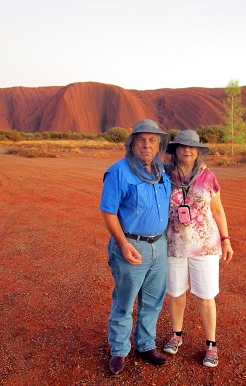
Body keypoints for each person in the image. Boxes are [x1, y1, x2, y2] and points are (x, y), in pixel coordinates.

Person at [99, 119, 171, 376]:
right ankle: (119, 350)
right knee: (124, 301)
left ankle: (145, 344)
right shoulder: (118, 172)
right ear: (132, 143)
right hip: (131, 246)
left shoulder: (162, 172)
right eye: (141, 139)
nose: (147, 144)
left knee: (153, 302)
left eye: (153, 140)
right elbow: (108, 213)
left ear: (159, 144)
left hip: (159, 246)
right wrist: (123, 244)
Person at [163, 129, 234, 367]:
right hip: (173, 243)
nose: (187, 151)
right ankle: (176, 335)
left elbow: (218, 210)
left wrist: (226, 239)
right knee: (176, 292)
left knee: (206, 296)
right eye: (182, 147)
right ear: (175, 151)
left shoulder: (208, 177)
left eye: (192, 147)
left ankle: (211, 345)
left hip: (205, 246)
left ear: (198, 152)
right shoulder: (166, 175)